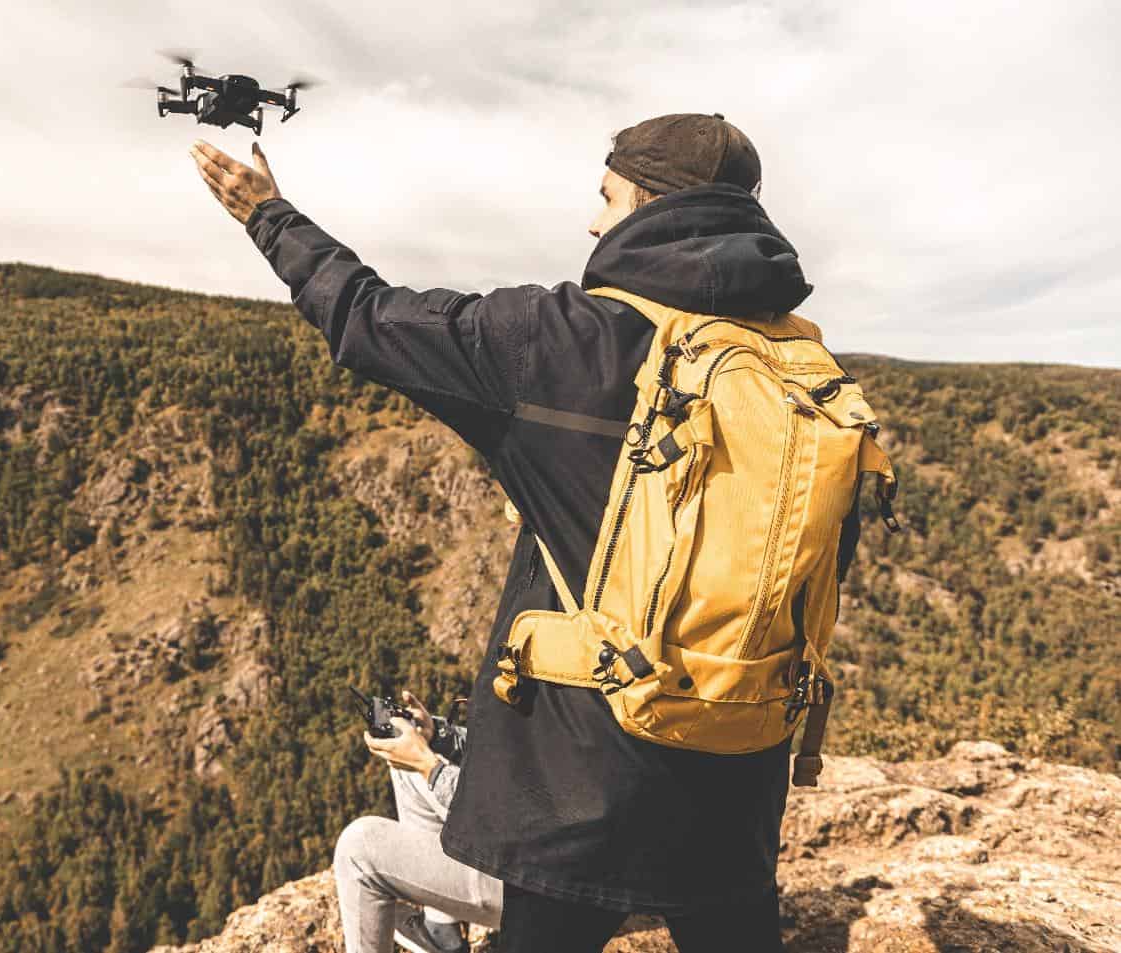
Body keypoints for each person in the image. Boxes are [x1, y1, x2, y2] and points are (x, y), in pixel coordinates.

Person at [189, 112, 806, 952]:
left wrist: (268, 214)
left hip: (584, 792)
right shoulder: (798, 369)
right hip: (737, 782)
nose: (594, 222)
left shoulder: (558, 343)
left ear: (653, 207)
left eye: (607, 196)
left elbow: (370, 320)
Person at [333, 689, 503, 953]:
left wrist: (430, 766)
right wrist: (438, 735)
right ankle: (441, 933)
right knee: (404, 766)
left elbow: (507, 813)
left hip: (542, 888)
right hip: (535, 859)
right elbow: (510, 759)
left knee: (357, 850)